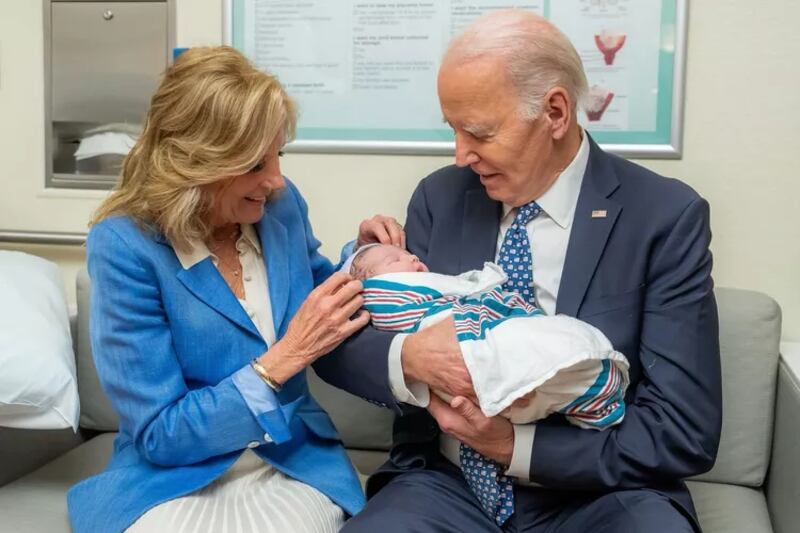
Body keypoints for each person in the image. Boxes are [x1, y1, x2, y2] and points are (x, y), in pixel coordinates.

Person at [317, 9, 722, 532]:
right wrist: (408, 355)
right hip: (450, 483)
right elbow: (336, 347)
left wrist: (513, 446)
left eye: (479, 133)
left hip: (600, 491)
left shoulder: (662, 216)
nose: (462, 156)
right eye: (454, 130)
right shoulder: (440, 199)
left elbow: (683, 429)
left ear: (555, 112)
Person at [66, 46, 403, 533]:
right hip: (173, 476)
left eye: (278, 155)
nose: (275, 179)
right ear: (192, 163)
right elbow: (162, 434)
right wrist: (279, 362)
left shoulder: (280, 209)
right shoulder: (124, 246)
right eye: (252, 164)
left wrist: (367, 257)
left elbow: (323, 292)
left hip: (293, 459)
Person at [348, 243, 629, 428]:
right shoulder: (434, 201)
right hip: (442, 464)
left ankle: (589, 382)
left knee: (551, 341)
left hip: (569, 460)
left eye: (407, 255)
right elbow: (335, 326)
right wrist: (408, 356)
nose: (411, 256)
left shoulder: (658, 213)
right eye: (395, 258)